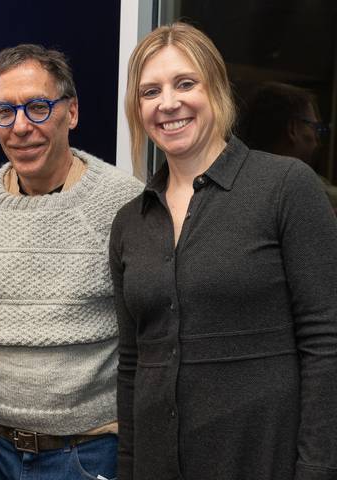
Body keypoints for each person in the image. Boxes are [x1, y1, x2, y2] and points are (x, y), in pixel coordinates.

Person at [110, 22, 337, 480]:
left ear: (216, 88)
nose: (168, 102)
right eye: (150, 91)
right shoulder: (130, 222)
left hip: (260, 461)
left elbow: (326, 341)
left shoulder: (286, 188)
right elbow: (132, 364)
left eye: (185, 83)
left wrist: (316, 468)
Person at [0, 44, 143, 480]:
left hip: (89, 453)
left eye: (38, 107)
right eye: (5, 112)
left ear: (72, 112)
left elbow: (147, 326)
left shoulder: (124, 204)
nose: (21, 127)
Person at [243, 81, 337, 212]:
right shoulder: (301, 184)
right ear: (292, 129)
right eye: (314, 127)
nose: (317, 140)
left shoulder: (234, 181)